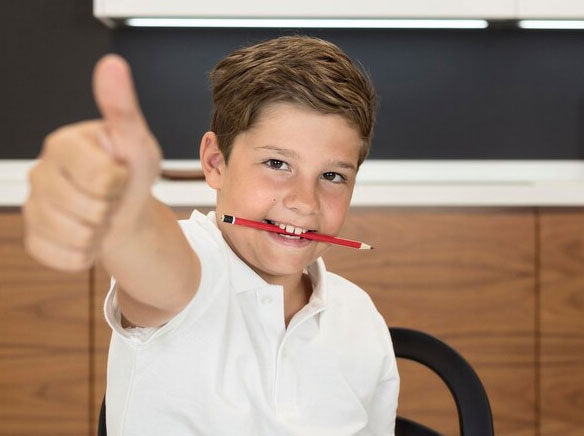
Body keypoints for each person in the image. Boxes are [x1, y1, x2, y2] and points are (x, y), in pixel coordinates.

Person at [22, 35, 399, 435]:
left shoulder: (361, 318)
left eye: (332, 176)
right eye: (277, 163)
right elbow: (159, 268)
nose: (305, 202)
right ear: (215, 161)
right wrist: (125, 215)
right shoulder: (190, 261)